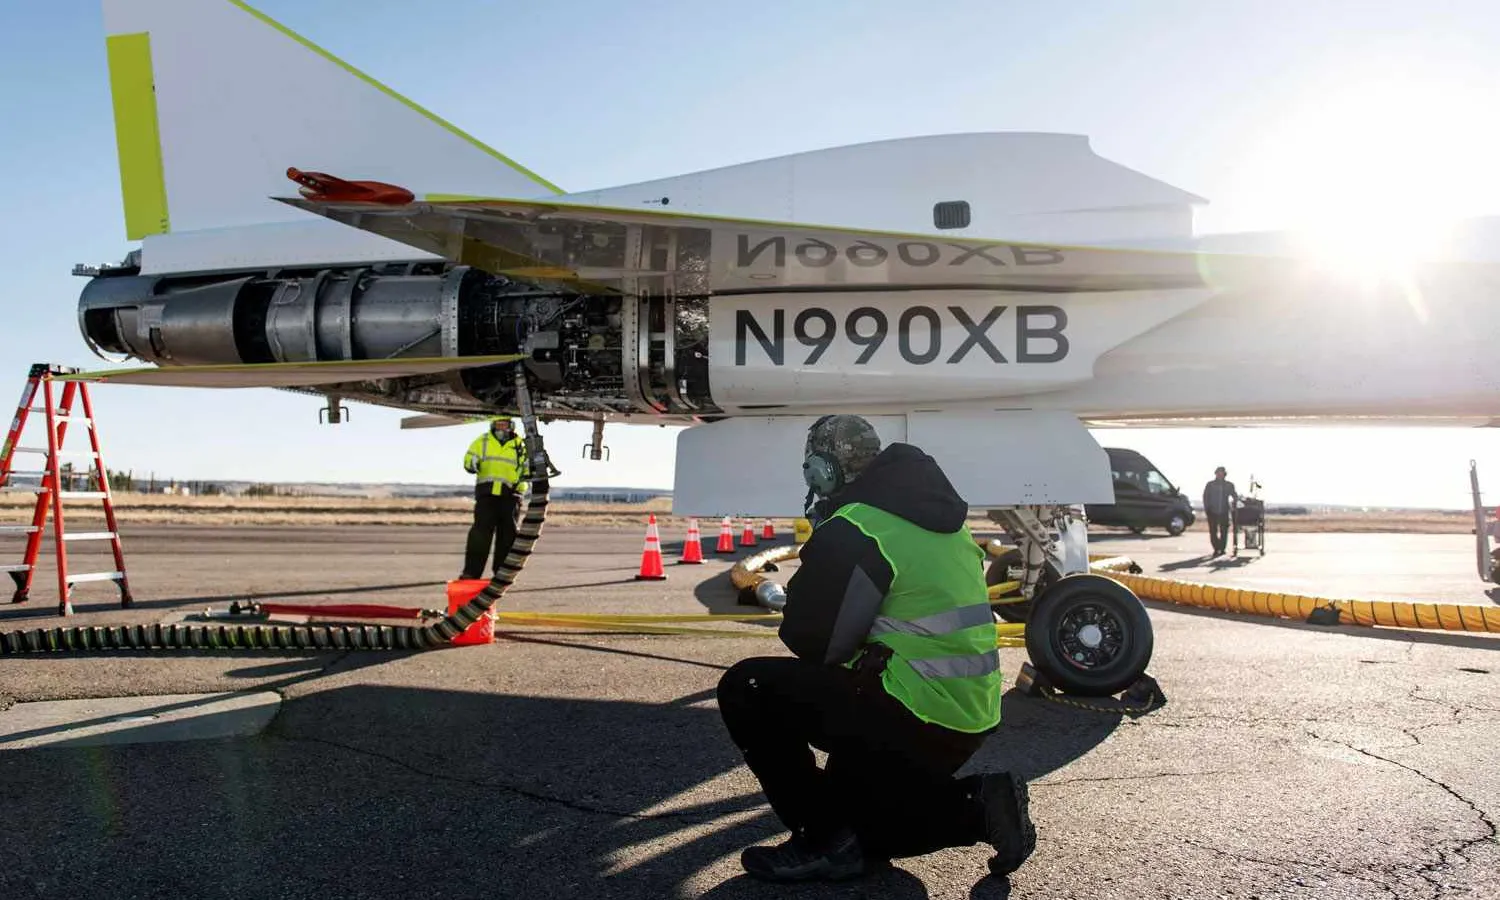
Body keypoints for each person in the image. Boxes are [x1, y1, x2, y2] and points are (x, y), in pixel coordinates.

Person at [716, 414, 1034, 883]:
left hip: (910, 708)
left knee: (748, 687)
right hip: (965, 716)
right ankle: (982, 807)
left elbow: (812, 640)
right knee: (868, 835)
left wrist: (822, 547)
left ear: (823, 468)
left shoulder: (861, 524)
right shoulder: (938, 518)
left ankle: (820, 839)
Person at [459, 417, 528, 580]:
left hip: (511, 496)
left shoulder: (520, 445)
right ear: (492, 425)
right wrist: (471, 462)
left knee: (508, 536)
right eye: (498, 425)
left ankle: (501, 574)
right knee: (480, 534)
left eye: (505, 425)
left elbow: (528, 468)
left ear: (511, 426)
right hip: (487, 494)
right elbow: (468, 459)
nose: (502, 428)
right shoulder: (482, 441)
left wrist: (522, 483)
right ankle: (471, 572)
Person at [1202, 466, 1238, 556]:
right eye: (1218, 473)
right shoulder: (1210, 485)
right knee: (1213, 532)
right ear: (1216, 474)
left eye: (1222, 473)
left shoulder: (1229, 485)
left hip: (1224, 511)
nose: (1220, 475)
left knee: (1224, 531)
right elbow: (1205, 497)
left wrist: (1235, 504)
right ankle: (1216, 548)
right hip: (1212, 511)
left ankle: (1222, 548)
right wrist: (1207, 508)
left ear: (1225, 474)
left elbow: (1234, 496)